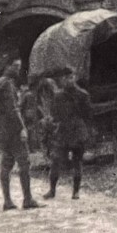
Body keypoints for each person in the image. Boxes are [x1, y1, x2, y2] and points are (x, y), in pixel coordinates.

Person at [0, 58, 42, 211]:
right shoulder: (8, 84)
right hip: (13, 130)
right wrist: (22, 127)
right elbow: (13, 109)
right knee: (24, 162)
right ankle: (27, 199)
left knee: (6, 164)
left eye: (19, 67)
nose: (18, 70)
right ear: (7, 66)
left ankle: (7, 201)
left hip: (2, 129)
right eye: (15, 66)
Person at [43, 66, 92, 200]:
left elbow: (88, 115)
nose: (68, 80)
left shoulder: (83, 95)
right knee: (55, 161)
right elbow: (55, 114)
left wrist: (86, 132)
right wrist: (51, 121)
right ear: (62, 80)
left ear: (74, 77)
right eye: (65, 78)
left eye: (71, 77)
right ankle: (52, 190)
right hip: (63, 132)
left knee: (77, 162)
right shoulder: (58, 96)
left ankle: (75, 191)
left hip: (77, 131)